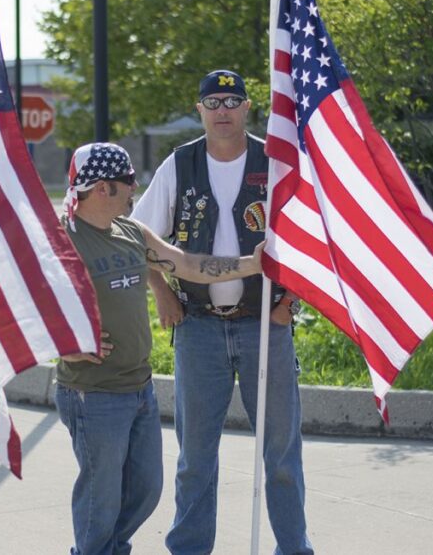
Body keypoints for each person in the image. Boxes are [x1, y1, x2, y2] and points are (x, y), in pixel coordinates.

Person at [132, 69, 312, 555]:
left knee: (280, 454)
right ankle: (189, 548)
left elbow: (308, 239)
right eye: (213, 102)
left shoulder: (274, 162)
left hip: (264, 326)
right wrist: (160, 291)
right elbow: (138, 237)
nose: (223, 110)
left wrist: (287, 305)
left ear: (247, 107)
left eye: (232, 101)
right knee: (195, 457)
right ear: (200, 110)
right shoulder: (180, 165)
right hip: (198, 327)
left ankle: (294, 548)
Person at [57, 141, 263, 555]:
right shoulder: (64, 239)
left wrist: (249, 264)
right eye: (128, 182)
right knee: (101, 501)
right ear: (102, 188)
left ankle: (107, 549)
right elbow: (19, 296)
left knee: (147, 488)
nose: (135, 189)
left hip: (139, 389)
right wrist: (60, 342)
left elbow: (184, 263)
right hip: (93, 394)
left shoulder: (132, 232)